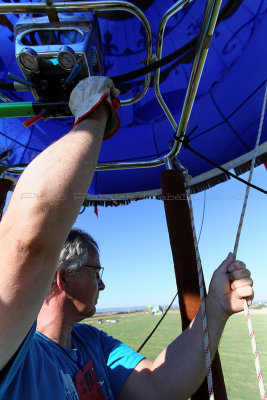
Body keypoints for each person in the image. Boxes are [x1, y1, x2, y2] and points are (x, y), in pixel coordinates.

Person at [0, 77, 253, 400]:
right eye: (95, 272)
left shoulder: (93, 343)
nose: (102, 285)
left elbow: (160, 386)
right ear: (62, 278)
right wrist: (94, 115)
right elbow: (29, 243)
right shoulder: (14, 344)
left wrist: (214, 309)